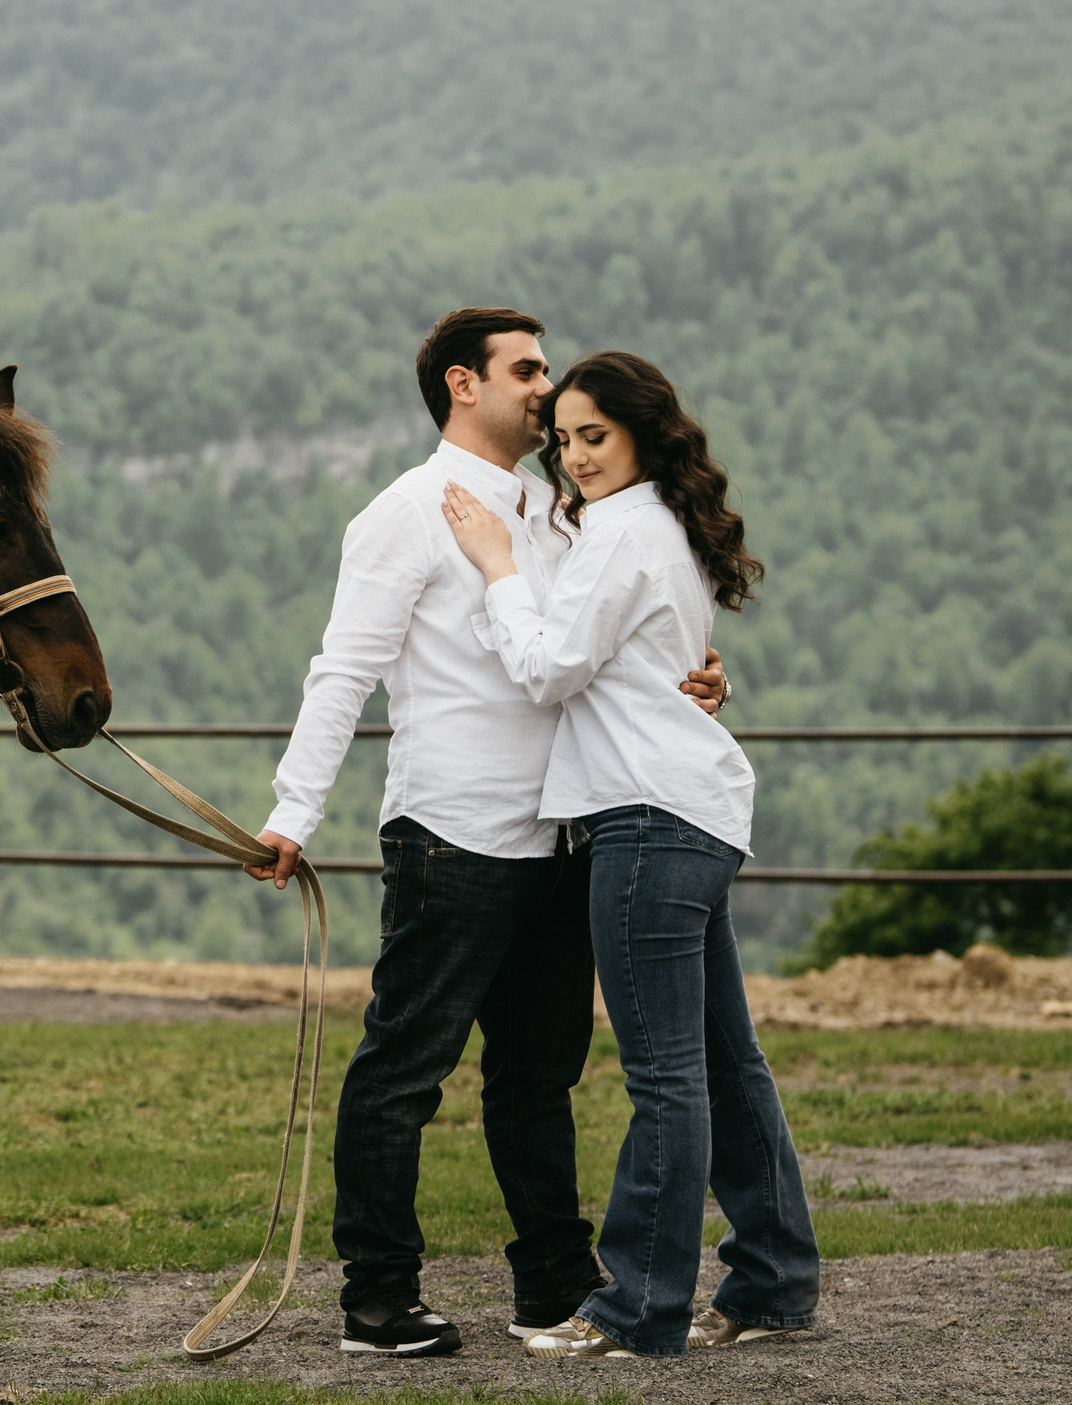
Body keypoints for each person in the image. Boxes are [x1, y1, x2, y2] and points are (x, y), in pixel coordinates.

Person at [251, 309, 727, 1357]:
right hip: (451, 835)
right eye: (527, 370)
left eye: (547, 371)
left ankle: (553, 1284)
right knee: (403, 1071)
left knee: (538, 1077)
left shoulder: (563, 517)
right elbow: (343, 669)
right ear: (462, 384)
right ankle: (376, 1298)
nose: (545, 390)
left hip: (562, 834)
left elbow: (584, 648)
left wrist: (698, 676)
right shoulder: (405, 511)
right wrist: (293, 811)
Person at [440, 349, 820, 1360]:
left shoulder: (622, 530)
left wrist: (497, 569)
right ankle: (773, 1279)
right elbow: (658, 663)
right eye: (561, 440)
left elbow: (548, 667)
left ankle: (638, 1306)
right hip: (692, 812)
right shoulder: (660, 527)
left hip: (644, 820)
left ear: (642, 432)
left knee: (664, 1074)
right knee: (723, 1062)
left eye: (592, 436)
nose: (574, 459)